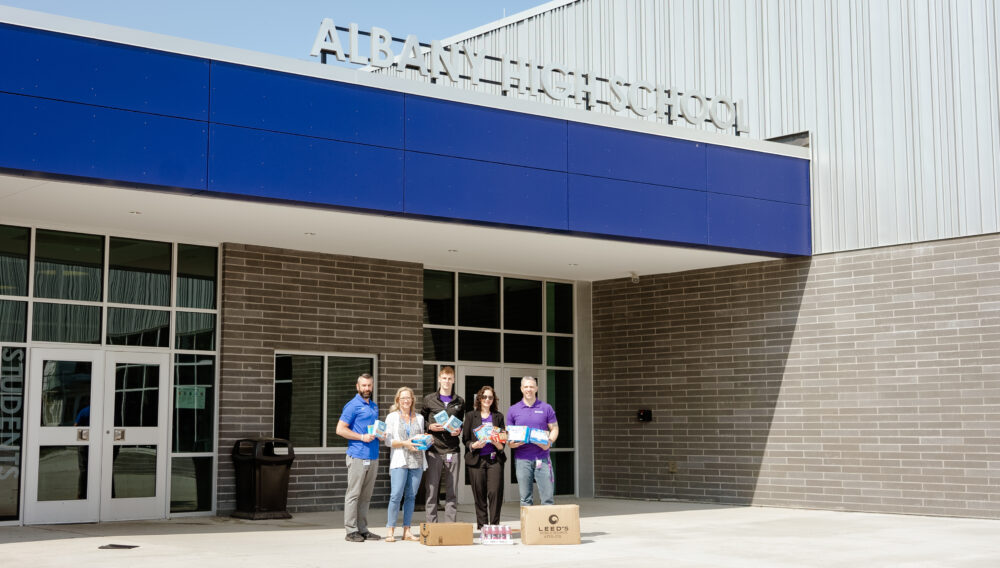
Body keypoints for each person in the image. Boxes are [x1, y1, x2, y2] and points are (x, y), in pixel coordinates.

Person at [335, 373, 381, 542]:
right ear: (358, 386)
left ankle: (363, 529)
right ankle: (350, 530)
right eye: (364, 386)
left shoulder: (374, 406)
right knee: (353, 494)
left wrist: (380, 434)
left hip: (373, 456)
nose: (367, 389)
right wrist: (361, 437)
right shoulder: (352, 406)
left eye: (369, 385)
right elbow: (340, 429)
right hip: (357, 456)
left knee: (366, 496)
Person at [420, 365, 465, 523]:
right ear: (439, 379)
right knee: (432, 490)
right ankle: (432, 524)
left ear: (453, 380)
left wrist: (458, 430)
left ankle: (450, 525)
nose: (446, 381)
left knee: (452, 490)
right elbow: (421, 420)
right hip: (434, 449)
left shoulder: (459, 401)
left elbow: (461, 423)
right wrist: (429, 427)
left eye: (449, 378)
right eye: (444, 378)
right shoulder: (429, 399)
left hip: (452, 449)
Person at [507, 376, 559, 506]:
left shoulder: (546, 408)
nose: (528, 389)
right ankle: (528, 527)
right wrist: (510, 443)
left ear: (536, 388)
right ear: (521, 389)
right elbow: (508, 434)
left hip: (542, 458)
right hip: (522, 459)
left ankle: (546, 526)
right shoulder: (513, 409)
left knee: (547, 499)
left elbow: (555, 428)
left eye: (531, 386)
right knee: (525, 499)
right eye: (526, 387)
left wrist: (549, 442)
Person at [383, 386, 426, 542]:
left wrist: (427, 440)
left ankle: (407, 530)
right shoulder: (392, 417)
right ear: (398, 401)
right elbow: (388, 441)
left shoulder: (420, 418)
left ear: (412, 400)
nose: (406, 401)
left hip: (417, 462)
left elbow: (421, 438)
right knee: (395, 496)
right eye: (403, 398)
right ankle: (390, 530)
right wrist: (404, 443)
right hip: (400, 462)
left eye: (408, 398)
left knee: (411, 496)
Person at [461, 385, 506, 528]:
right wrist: (474, 445)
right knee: (479, 495)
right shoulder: (470, 416)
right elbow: (465, 439)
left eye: (490, 397)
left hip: (494, 460)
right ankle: (482, 527)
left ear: (493, 400)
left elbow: (502, 441)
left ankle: (494, 526)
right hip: (476, 460)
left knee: (495, 493)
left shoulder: (498, 417)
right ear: (479, 398)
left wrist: (497, 443)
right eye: (484, 396)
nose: (487, 399)